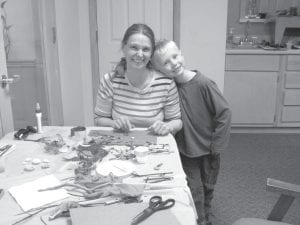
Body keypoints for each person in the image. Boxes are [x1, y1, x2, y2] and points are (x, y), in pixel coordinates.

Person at [152, 39, 232, 225]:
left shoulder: (204, 84)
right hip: (185, 151)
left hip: (208, 150)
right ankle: (200, 220)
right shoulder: (167, 85)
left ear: (181, 54)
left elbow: (224, 112)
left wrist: (217, 144)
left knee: (208, 187)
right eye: (165, 62)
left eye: (175, 56)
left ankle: (206, 215)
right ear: (158, 69)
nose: (173, 63)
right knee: (193, 189)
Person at [94, 24, 182, 136]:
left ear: (151, 54)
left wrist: (168, 126)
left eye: (145, 49)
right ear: (124, 48)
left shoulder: (166, 83)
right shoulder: (110, 81)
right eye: (134, 47)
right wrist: (114, 123)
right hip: (119, 145)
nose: (139, 54)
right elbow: (99, 118)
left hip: (157, 147)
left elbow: (177, 121)